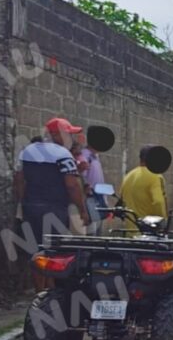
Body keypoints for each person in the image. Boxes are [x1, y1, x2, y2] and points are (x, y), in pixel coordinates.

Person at [13, 118, 89, 291]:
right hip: (55, 209)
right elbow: (72, 185)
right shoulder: (63, 154)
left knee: (36, 250)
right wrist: (82, 210)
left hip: (32, 208)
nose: (71, 138)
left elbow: (19, 180)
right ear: (57, 135)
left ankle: (40, 291)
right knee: (54, 251)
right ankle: (51, 290)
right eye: (68, 134)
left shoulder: (27, 151)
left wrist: (23, 202)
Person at [119, 145, 168, 230]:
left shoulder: (128, 176)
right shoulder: (155, 176)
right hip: (149, 231)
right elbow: (158, 202)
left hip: (130, 230)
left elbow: (122, 198)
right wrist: (162, 222)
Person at [80, 137, 107, 235]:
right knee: (92, 233)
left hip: (98, 200)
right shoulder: (85, 156)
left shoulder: (95, 157)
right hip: (90, 201)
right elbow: (82, 179)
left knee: (97, 233)